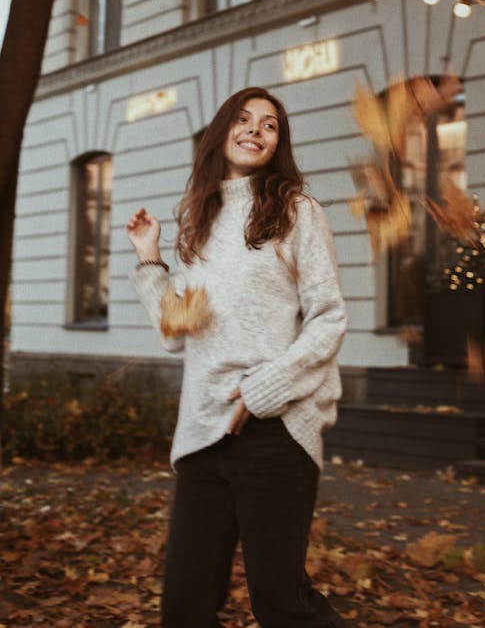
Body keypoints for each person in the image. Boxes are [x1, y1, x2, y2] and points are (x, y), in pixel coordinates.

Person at [126, 86, 348, 628]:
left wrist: (264, 390)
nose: (255, 129)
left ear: (278, 143)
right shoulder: (198, 219)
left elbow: (329, 317)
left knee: (281, 603)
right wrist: (151, 258)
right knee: (185, 605)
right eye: (244, 120)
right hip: (203, 431)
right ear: (222, 131)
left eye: (269, 125)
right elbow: (176, 331)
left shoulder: (298, 211)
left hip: (274, 432)